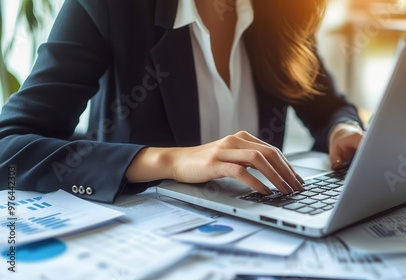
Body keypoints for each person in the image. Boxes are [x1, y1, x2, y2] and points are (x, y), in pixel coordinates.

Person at [0, 0, 364, 203]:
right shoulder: (110, 7)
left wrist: (341, 129)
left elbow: (327, 105)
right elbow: (9, 148)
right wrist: (168, 160)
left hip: (267, 233)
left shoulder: (280, 10)